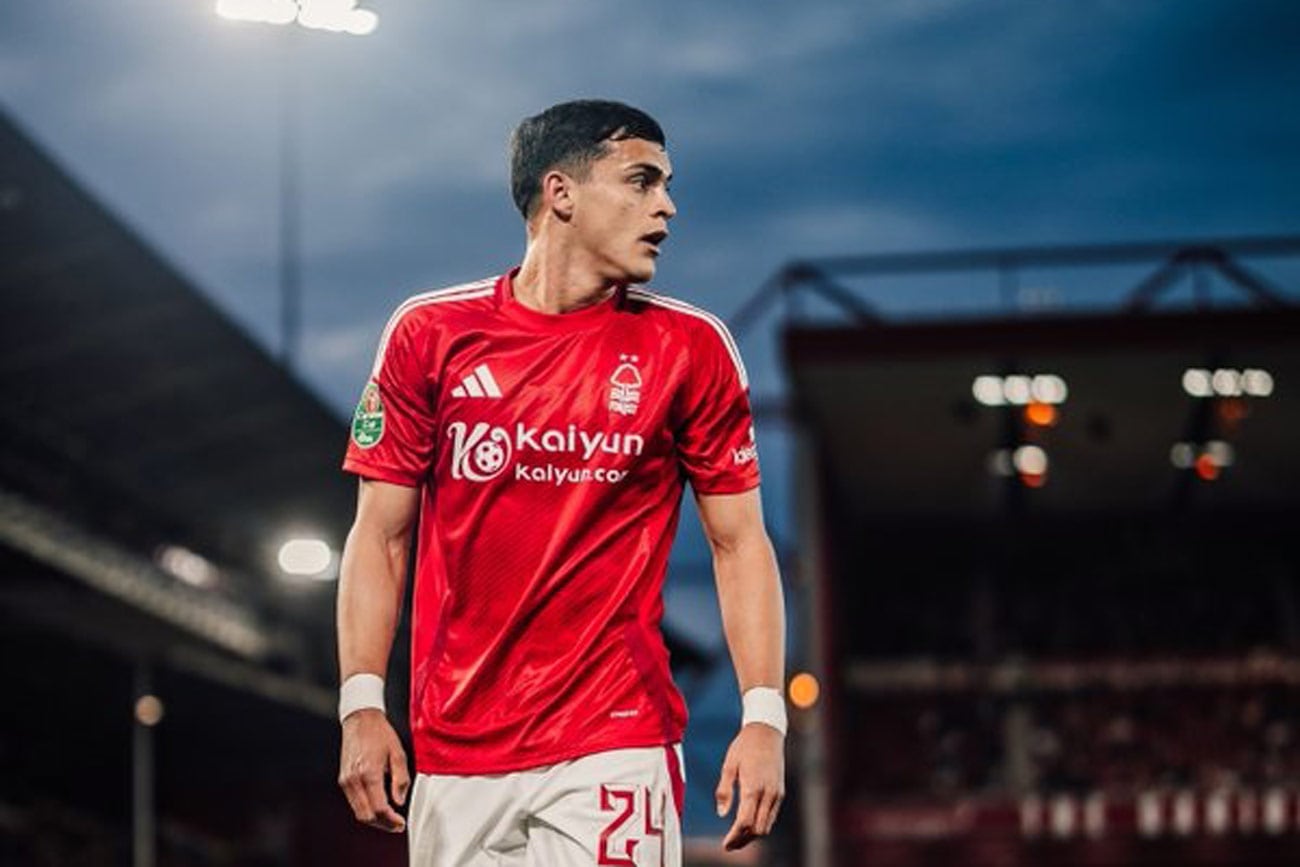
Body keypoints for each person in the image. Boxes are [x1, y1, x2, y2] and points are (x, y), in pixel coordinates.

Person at [336, 99, 786, 866]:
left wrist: (764, 716)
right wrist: (361, 705)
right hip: (455, 746)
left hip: (615, 735)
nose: (667, 207)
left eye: (667, 185)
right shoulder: (429, 334)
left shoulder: (691, 348)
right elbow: (379, 535)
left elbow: (739, 542)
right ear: (562, 193)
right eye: (642, 181)